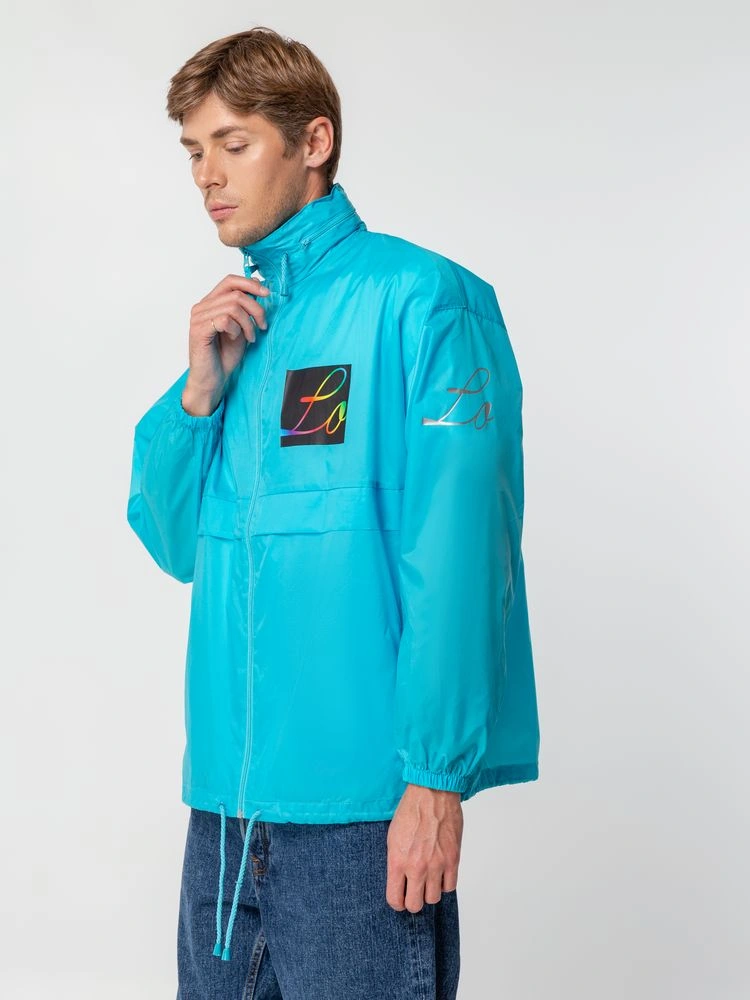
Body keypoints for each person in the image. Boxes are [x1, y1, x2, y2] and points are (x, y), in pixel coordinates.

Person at [126, 24, 540, 1000]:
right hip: (223, 815)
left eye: (233, 143)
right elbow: (175, 542)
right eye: (194, 150)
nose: (207, 175)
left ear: (313, 142)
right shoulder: (238, 330)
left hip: (362, 819)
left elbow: (460, 554)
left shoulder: (424, 301)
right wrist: (196, 396)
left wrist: (435, 779)